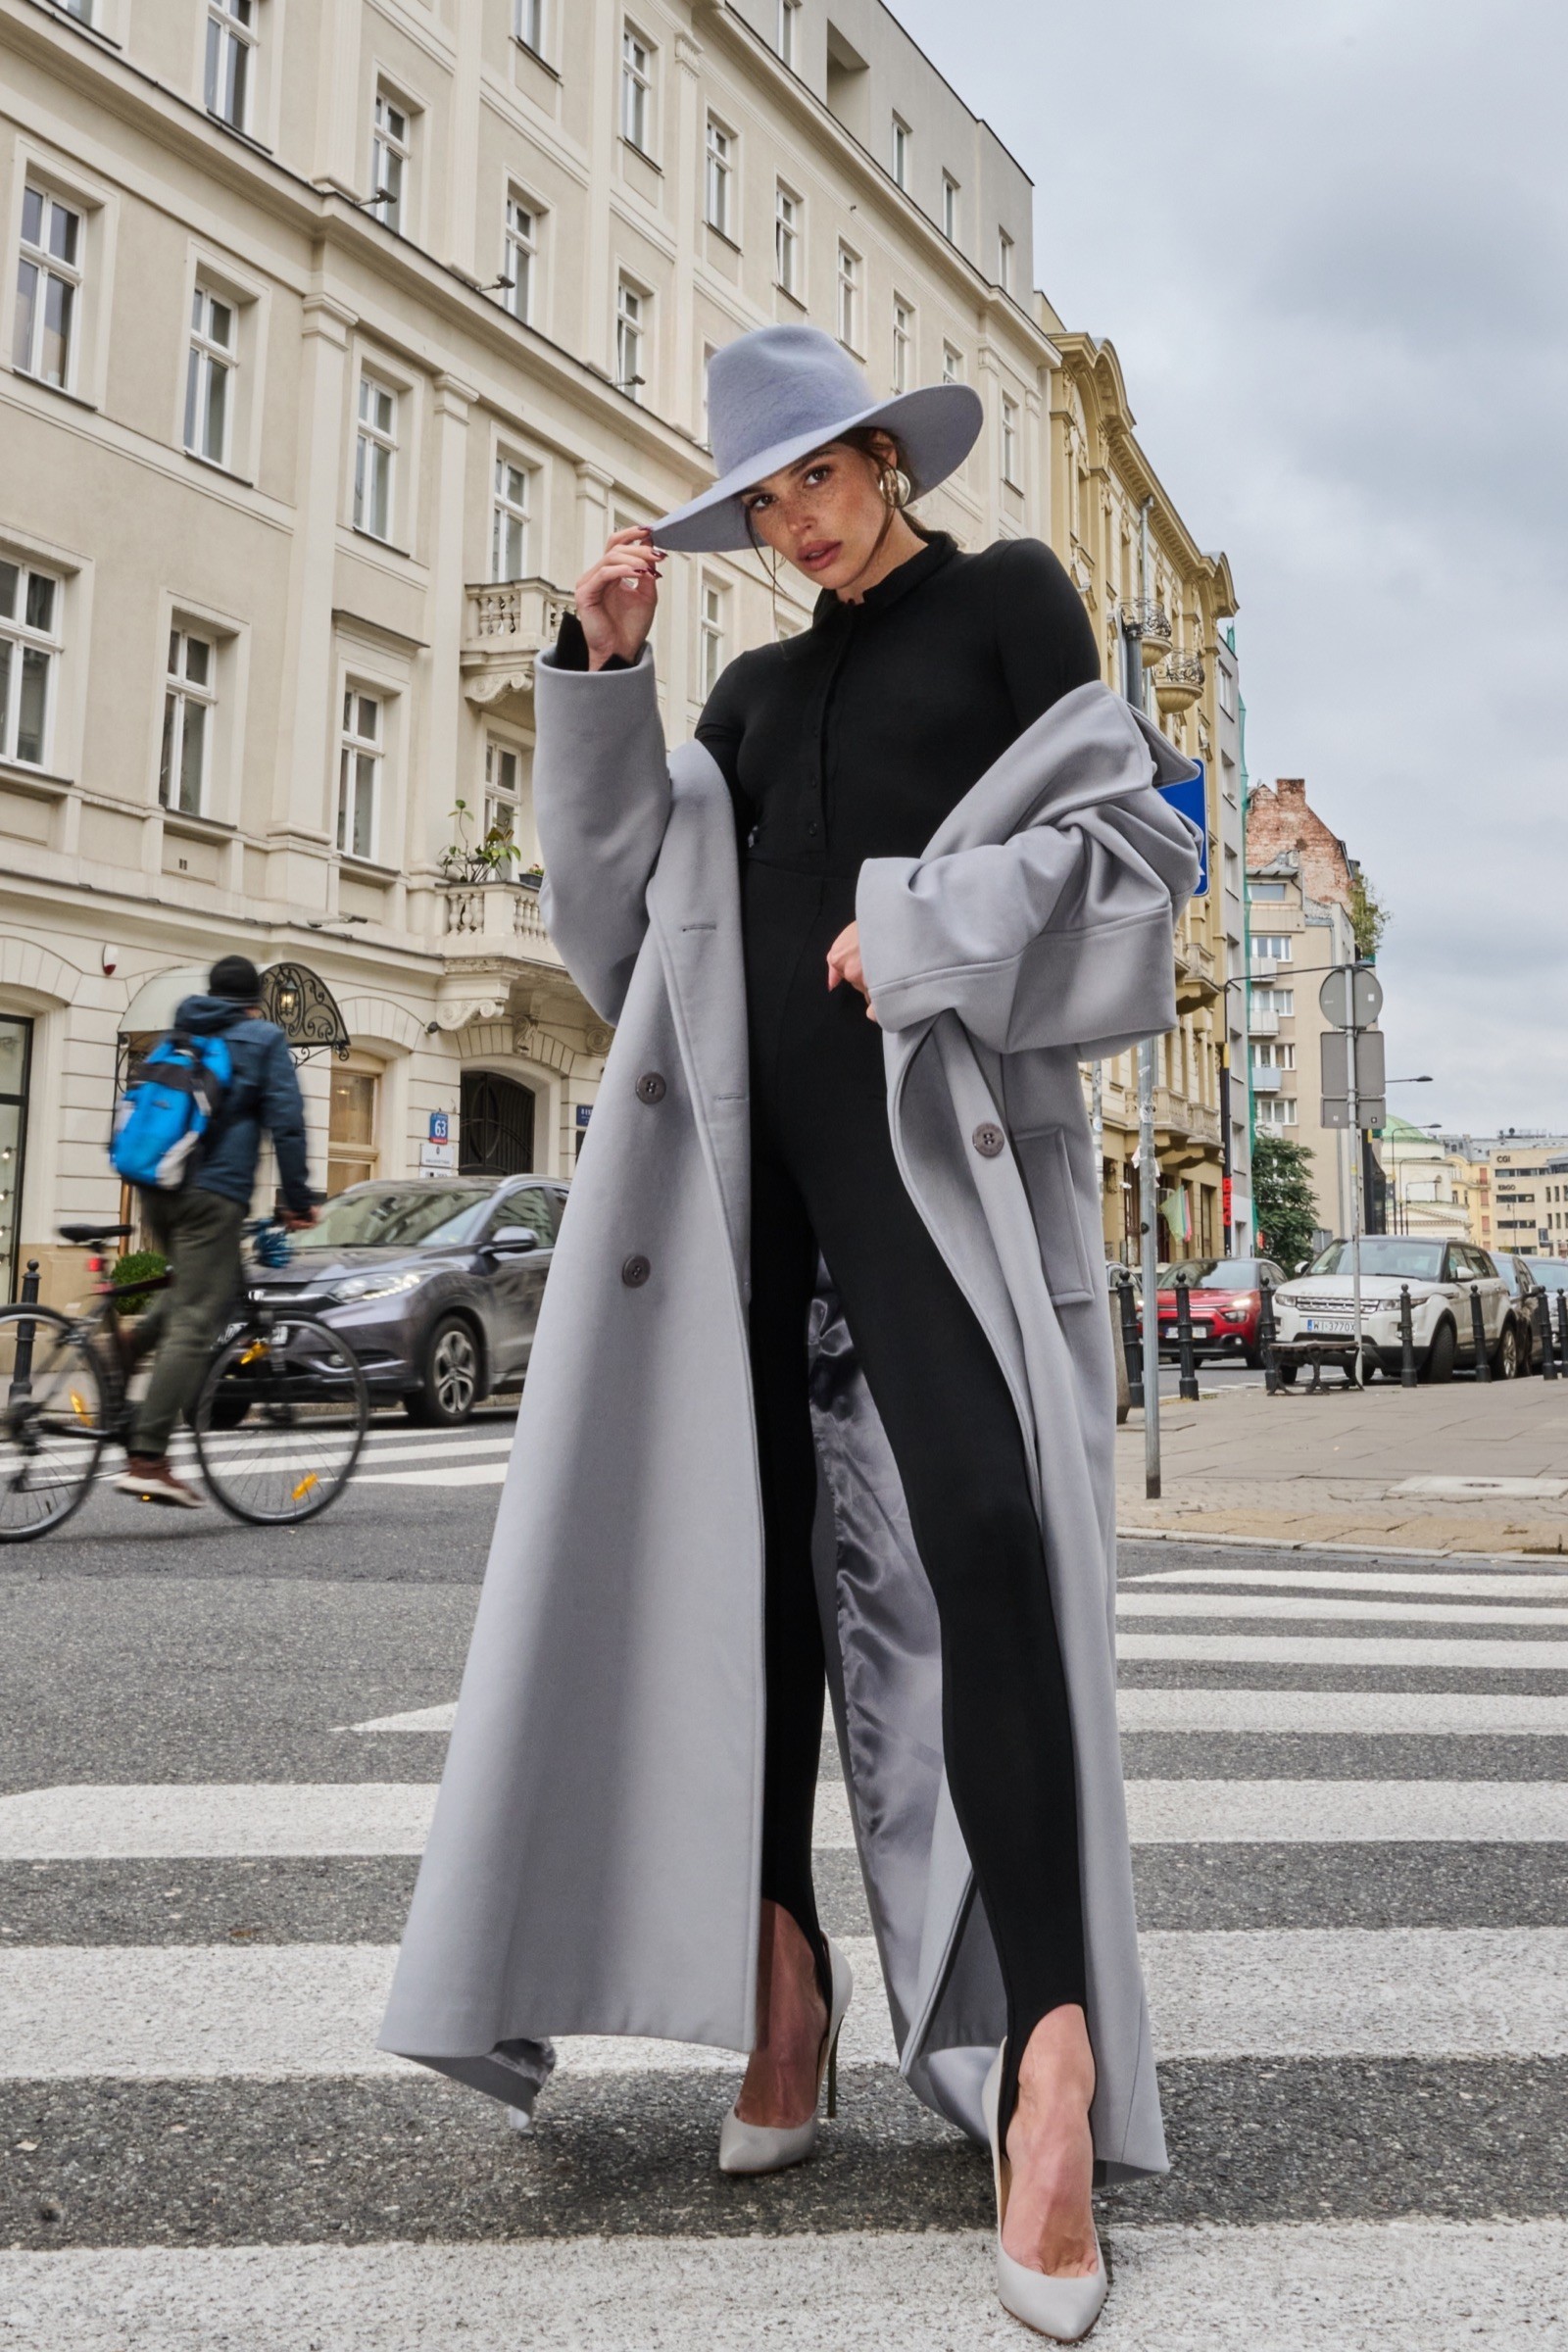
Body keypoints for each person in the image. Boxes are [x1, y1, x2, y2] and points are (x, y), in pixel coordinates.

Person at [379, 325, 1199, 2342]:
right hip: (738, 1210)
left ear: (880, 461)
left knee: (990, 1555)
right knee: (741, 1595)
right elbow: (616, 930)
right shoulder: (742, 693)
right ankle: (778, 1979)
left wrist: (923, 922)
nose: (798, 518)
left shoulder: (1005, 599)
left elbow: (1132, 863)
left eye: (820, 476)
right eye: (764, 496)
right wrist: (595, 673)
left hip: (936, 1175)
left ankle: (1053, 2067)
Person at [114, 955, 317, 1507]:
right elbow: (287, 1121)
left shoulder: (182, 1029)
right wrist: (298, 1200)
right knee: (197, 1324)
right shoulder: (262, 1039)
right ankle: (149, 1457)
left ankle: (135, 1340)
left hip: (158, 1184)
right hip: (214, 1193)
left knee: (206, 1289)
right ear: (256, 999)